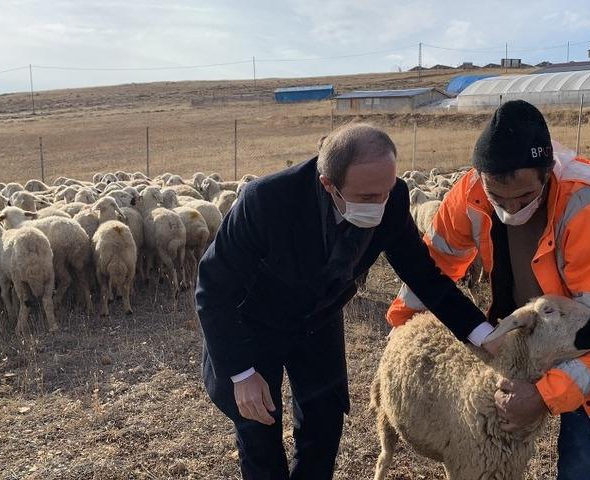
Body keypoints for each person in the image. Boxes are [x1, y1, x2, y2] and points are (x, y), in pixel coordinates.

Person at [195, 123, 499, 479]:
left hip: (319, 320)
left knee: (324, 427)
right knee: (259, 430)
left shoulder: (393, 198)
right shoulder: (267, 202)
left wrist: (483, 334)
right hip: (255, 324)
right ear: (329, 185)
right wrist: (242, 373)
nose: (380, 204)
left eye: (385, 191)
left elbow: (425, 277)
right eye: (367, 198)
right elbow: (213, 288)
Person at [387, 100, 590, 479]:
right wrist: (401, 324)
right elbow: (434, 266)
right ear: (480, 176)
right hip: (532, 333)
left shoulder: (587, 206)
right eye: (498, 198)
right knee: (494, 442)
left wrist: (545, 396)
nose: (510, 209)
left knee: (583, 462)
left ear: (547, 174)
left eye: (524, 198)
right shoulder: (469, 195)